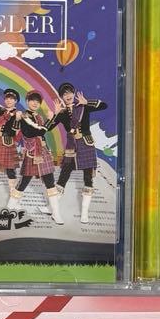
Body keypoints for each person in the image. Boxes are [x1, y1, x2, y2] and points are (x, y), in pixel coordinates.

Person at [47, 82, 107, 224]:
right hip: (71, 146)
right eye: (64, 94)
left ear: (73, 94)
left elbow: (104, 105)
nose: (67, 95)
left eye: (69, 92)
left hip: (86, 144)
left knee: (88, 177)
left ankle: (84, 213)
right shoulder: (62, 113)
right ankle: (51, 208)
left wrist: (87, 102)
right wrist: (54, 115)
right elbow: (47, 128)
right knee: (64, 175)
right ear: (61, 97)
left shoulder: (83, 107)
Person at [13, 92, 64, 223]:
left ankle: (56, 213)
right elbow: (36, 131)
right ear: (27, 101)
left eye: (38, 101)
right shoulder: (24, 116)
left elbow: (46, 129)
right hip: (32, 152)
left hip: (42, 151)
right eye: (32, 100)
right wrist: (50, 119)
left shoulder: (39, 117)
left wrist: (55, 115)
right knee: (24, 181)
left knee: (50, 182)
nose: (35, 103)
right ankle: (10, 206)